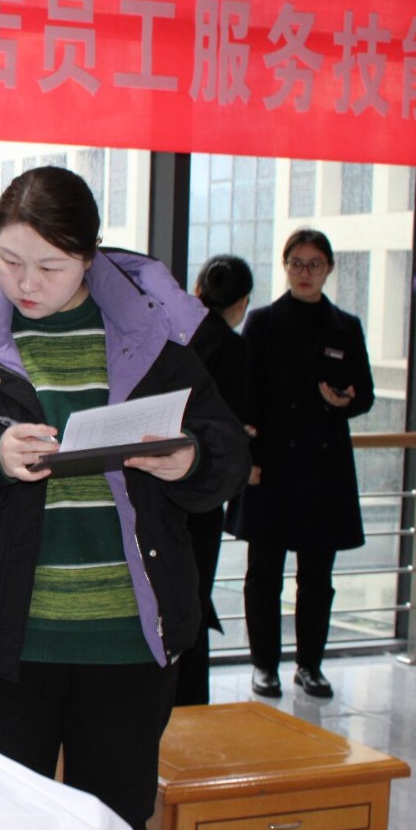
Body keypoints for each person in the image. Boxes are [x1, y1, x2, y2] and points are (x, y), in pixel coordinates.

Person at [0, 166, 247, 830]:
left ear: (88, 257)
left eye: (50, 266)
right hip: (6, 640)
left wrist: (191, 459)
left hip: (129, 641)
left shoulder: (149, 336)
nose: (26, 283)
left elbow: (228, 448)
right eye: (8, 260)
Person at [229, 229, 374, 700]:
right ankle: (264, 665)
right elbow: (245, 398)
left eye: (314, 264)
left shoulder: (345, 326)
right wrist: (248, 461)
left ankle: (310, 665)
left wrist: (346, 401)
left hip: (322, 470)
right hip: (271, 466)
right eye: (296, 263)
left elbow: (366, 395)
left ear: (329, 268)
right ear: (285, 266)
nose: (304, 272)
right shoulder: (263, 322)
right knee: (263, 574)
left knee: (317, 578)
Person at [176, 254, 254, 707]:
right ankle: (190, 705)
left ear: (197, 291)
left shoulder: (174, 334)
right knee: (195, 597)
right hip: (203, 487)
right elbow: (231, 425)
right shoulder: (231, 347)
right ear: (241, 303)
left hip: (163, 484)